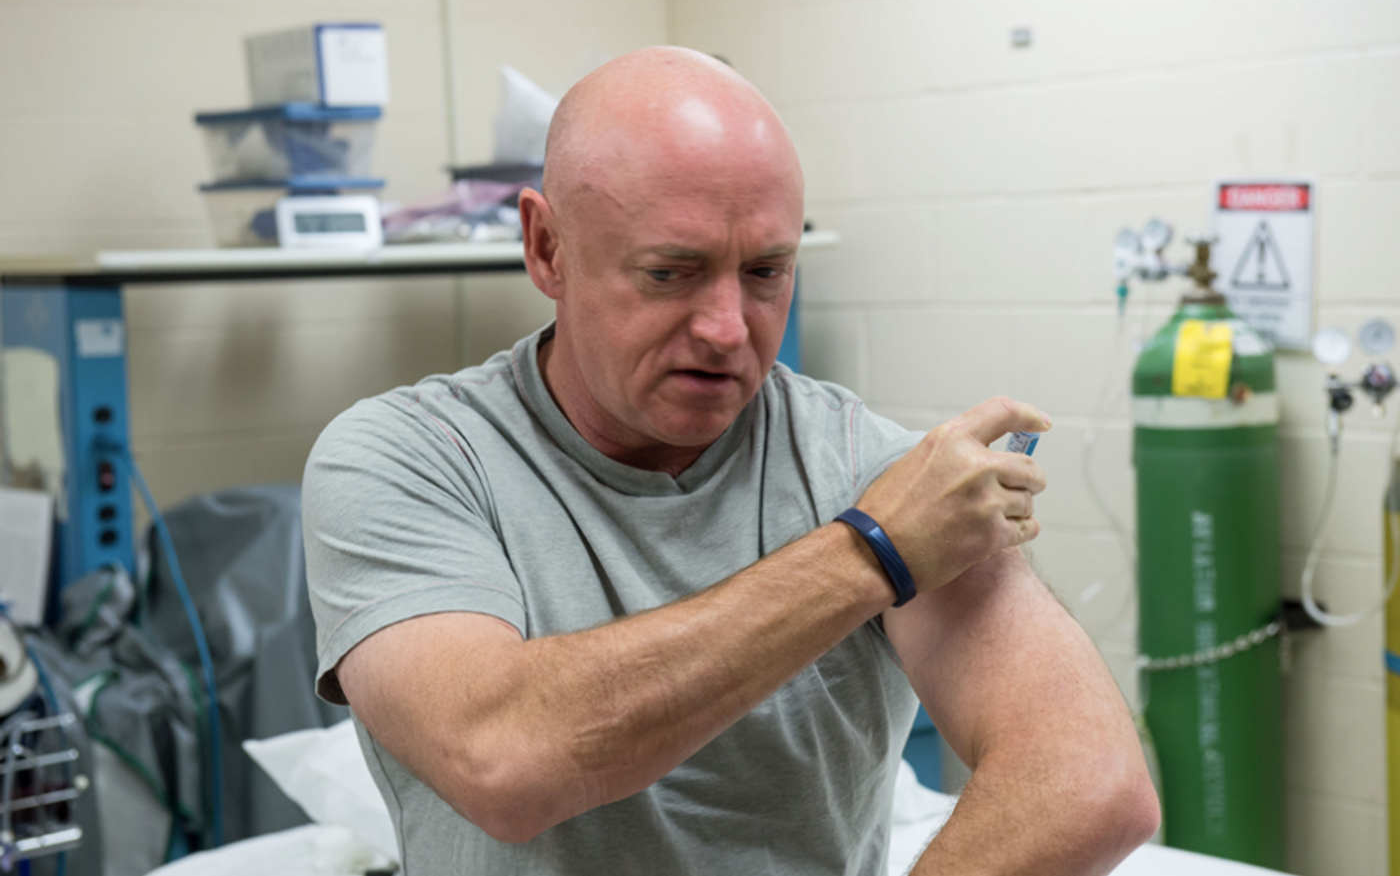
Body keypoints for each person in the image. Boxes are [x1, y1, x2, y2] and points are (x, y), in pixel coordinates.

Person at [303, 46, 1159, 875]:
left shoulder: (864, 464)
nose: (726, 327)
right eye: (671, 272)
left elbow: (1091, 780)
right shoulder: (409, 459)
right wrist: (869, 553)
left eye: (764, 271)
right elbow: (503, 762)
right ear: (547, 248)